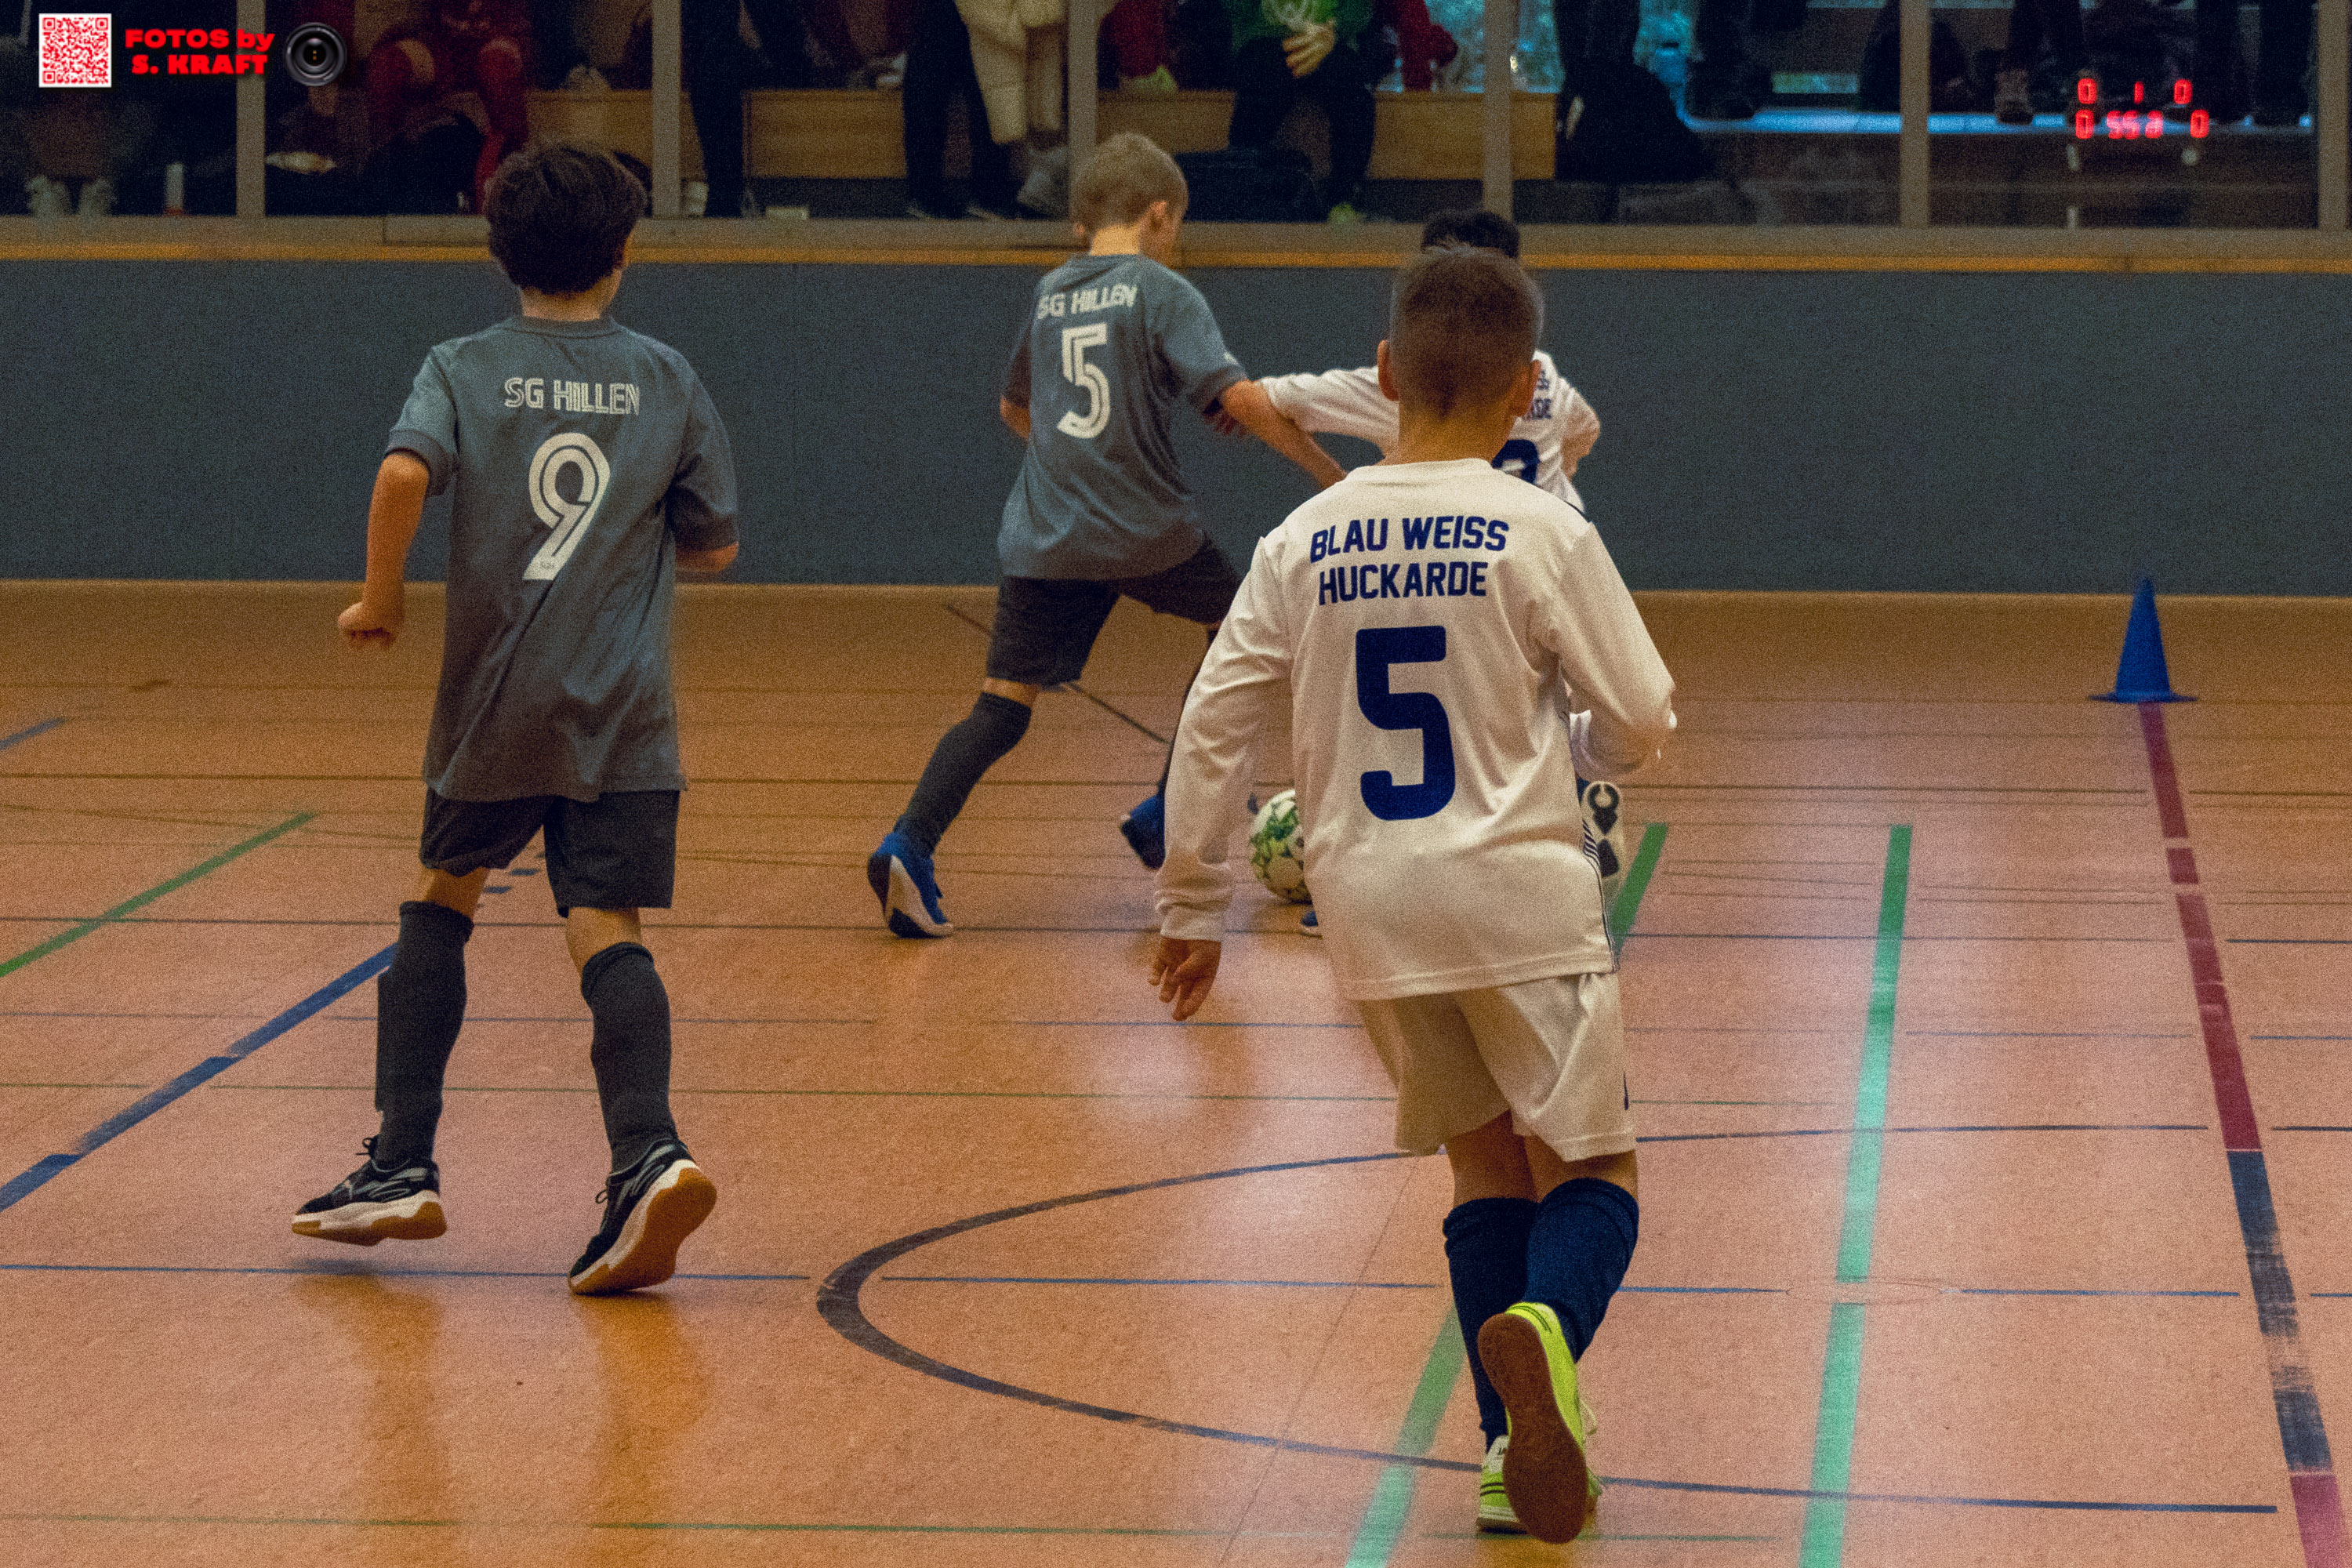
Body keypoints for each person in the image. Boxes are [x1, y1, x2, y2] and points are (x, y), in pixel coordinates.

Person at [1149, 245, 1675, 1542]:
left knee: (1482, 1163)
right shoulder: (1541, 526)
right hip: (1516, 891)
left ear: (1384, 374)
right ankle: (1544, 1328)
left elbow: (1214, 723)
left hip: (1368, 908)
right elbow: (1642, 718)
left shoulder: (1300, 539)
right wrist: (1585, 750)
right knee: (1593, 1169)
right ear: (1526, 392)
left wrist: (1191, 905)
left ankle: (1504, 1456)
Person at [293, 141, 740, 1298]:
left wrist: (382, 601)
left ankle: (401, 1161)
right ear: (625, 252)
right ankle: (649, 1154)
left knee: (442, 895)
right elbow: (715, 546)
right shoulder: (667, 375)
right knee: (607, 922)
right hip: (625, 714)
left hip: (495, 705)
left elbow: (403, 476)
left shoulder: (462, 365)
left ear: (499, 256)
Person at [867, 132, 1345, 938]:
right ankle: (1166, 807)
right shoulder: (1161, 289)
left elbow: (1016, 408)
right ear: (1159, 215)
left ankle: (908, 844)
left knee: (1001, 707)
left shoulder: (1051, 291)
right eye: (1177, 227)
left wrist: (1077, 464)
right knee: (1246, 630)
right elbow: (1241, 399)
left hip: (1045, 534)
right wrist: (1334, 477)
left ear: (1084, 221)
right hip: (1144, 530)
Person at [1250, 209, 1628, 929]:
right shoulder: (1545, 379)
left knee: (1438, 715)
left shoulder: (1405, 384)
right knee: (1536, 721)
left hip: (1451, 557)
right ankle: (1567, 850)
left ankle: (1380, 876)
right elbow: (1585, 429)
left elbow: (1253, 398)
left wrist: (1335, 484)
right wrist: (1559, 484)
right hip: (1547, 561)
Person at [1222, 0, 1377, 220]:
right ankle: (1242, 189)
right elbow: (1235, 8)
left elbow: (1359, 10)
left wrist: (1331, 31)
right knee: (1262, 79)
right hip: (1263, 39)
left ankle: (1344, 199)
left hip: (1332, 41)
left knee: (1352, 87)